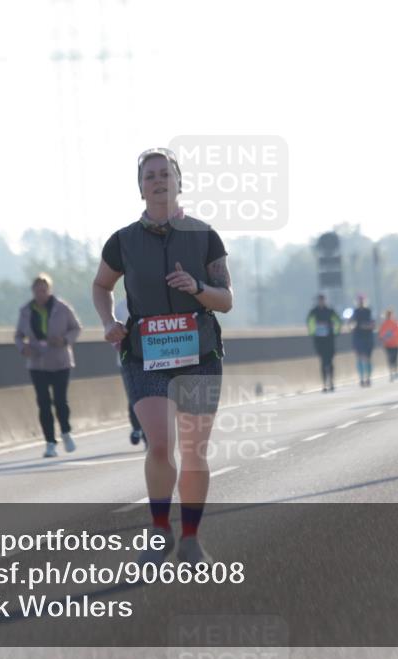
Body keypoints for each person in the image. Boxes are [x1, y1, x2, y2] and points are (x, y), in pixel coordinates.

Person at [92, 147, 233, 565]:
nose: (158, 180)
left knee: (193, 450)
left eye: (165, 173)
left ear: (179, 182)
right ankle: (158, 533)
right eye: (149, 175)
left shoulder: (205, 234)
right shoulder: (122, 241)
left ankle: (190, 538)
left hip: (199, 355)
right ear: (140, 188)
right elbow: (101, 286)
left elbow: (226, 300)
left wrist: (196, 288)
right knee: (160, 444)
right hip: (145, 356)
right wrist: (108, 322)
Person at [15, 274, 82, 458]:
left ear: (49, 290)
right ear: (33, 291)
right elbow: (18, 335)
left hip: (61, 362)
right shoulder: (26, 311)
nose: (41, 293)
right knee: (43, 403)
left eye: (44, 290)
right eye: (37, 290)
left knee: (60, 401)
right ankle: (50, 443)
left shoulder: (62, 308)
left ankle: (66, 432)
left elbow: (76, 328)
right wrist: (23, 348)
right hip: (37, 363)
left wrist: (64, 340)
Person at [114, 298, 145, 448]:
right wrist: (116, 341)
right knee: (134, 396)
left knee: (151, 396)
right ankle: (137, 427)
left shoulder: (154, 299)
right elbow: (111, 329)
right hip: (127, 360)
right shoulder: (120, 306)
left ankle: (147, 435)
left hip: (152, 358)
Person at [307, 294, 342, 392]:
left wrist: (335, 332)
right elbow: (309, 322)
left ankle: (331, 381)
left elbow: (338, 321)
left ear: (325, 301)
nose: (321, 302)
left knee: (330, 362)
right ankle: (324, 384)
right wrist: (313, 333)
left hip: (329, 340)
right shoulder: (313, 312)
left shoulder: (330, 311)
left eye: (322, 300)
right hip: (319, 341)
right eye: (319, 300)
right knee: (323, 362)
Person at [350, 294, 376, 386]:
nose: (360, 302)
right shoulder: (355, 312)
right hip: (358, 336)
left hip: (367, 337)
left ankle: (368, 378)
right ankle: (361, 378)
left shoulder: (369, 311)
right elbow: (351, 324)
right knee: (359, 357)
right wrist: (352, 326)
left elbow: (373, 324)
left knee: (368, 359)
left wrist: (367, 326)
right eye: (359, 300)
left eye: (362, 300)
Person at [378, 309, 398, 380]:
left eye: (390, 315)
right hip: (387, 345)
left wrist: (391, 335)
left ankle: (396, 371)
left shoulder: (395, 323)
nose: (389, 316)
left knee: (395, 359)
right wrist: (384, 338)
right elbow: (381, 334)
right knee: (389, 359)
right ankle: (391, 373)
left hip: (395, 344)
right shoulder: (384, 324)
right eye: (388, 315)